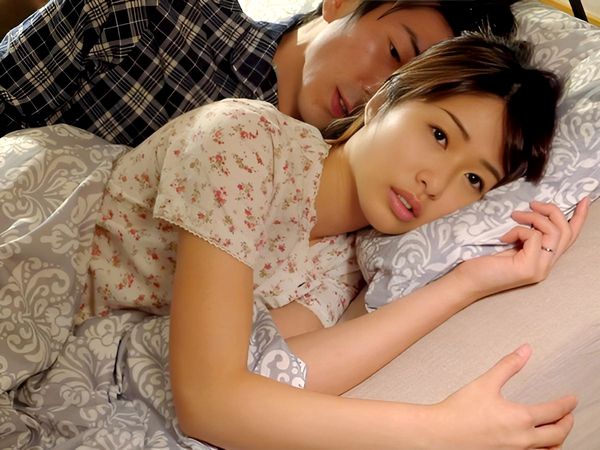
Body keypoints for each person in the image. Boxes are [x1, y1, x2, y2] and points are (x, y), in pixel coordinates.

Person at [83, 31, 589, 449]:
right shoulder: (243, 141)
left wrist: (470, 281)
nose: (436, 183)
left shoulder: (342, 268)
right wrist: (441, 430)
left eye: (474, 179)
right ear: (384, 99)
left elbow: (270, 377)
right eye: (439, 135)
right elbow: (208, 403)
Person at [0, 0, 518, 146]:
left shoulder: (339, 184)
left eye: (406, 95)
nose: (376, 96)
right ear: (341, 2)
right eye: (394, 51)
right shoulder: (154, 13)